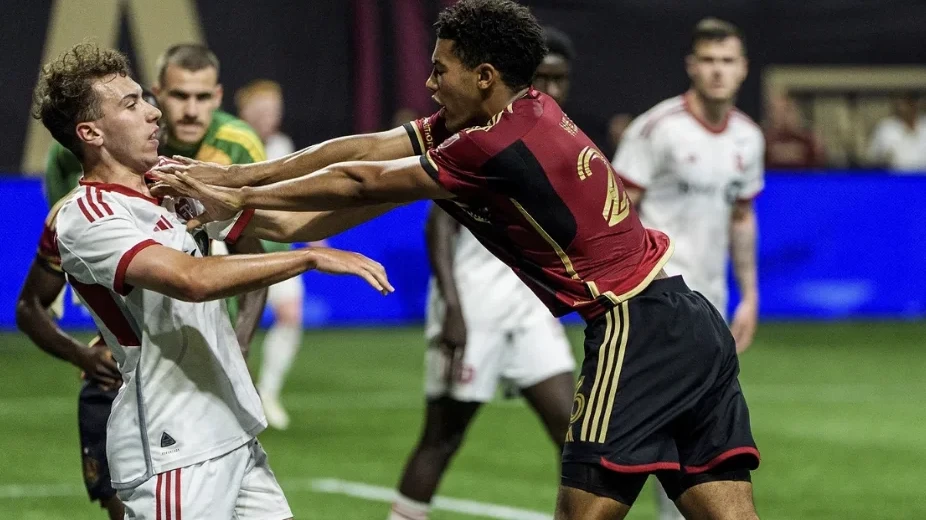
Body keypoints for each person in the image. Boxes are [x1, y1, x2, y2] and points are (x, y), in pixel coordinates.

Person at [153, 1, 762, 518]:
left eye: (440, 69)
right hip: (689, 318)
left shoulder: (495, 145)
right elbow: (361, 157)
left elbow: (361, 179)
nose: (429, 82)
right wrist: (231, 195)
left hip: (635, 328)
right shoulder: (517, 113)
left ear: (485, 76)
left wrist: (235, 188)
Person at [32, 42, 393, 519]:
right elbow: (191, 279)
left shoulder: (169, 182)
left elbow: (292, 223)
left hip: (230, 426)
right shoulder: (87, 216)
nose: (153, 112)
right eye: (131, 104)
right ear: (90, 132)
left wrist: (420, 184)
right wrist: (307, 260)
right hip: (173, 444)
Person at [387, 26, 578, 520]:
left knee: (574, 436)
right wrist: (453, 308)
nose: (551, 89)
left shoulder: (561, 136)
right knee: (442, 438)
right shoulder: (484, 136)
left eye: (560, 79)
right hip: (474, 306)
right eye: (542, 78)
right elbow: (440, 224)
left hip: (531, 310)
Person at [611, 18, 764, 519]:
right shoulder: (657, 129)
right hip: (656, 300)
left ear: (743, 69)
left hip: (710, 305)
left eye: (727, 61)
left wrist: (750, 296)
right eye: (709, 60)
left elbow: (741, 217)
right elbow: (615, 212)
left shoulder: (748, 137)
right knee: (661, 424)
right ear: (692, 67)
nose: (718, 71)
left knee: (696, 427)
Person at [44, 43, 269, 359]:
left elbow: (269, 239)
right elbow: (191, 280)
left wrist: (239, 346)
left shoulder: (222, 152)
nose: (189, 111)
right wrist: (309, 258)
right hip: (144, 355)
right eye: (179, 95)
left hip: (212, 335)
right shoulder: (83, 204)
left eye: (203, 97)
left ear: (218, 97)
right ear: (160, 92)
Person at [17, 89, 161, 520]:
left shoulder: (187, 192)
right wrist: (81, 354)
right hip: (120, 384)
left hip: (189, 382)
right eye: (133, 108)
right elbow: (29, 306)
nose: (153, 117)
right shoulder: (74, 216)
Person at [235, 79, 304, 429]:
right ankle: (238, 396)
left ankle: (269, 393)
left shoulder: (282, 146)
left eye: (274, 111)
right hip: (237, 247)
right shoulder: (233, 146)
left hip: (279, 246)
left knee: (290, 315)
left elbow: (298, 194)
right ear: (244, 112)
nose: (268, 117)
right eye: (261, 110)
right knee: (235, 325)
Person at [763, 91, 825, 169]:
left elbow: (820, 167)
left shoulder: (809, 140)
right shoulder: (763, 140)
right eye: (775, 110)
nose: (781, 115)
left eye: (785, 110)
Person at [866, 91, 926, 172]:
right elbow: (872, 158)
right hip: (896, 177)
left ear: (915, 103)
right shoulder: (886, 128)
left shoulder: (924, 123)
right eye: (900, 103)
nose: (903, 108)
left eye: (908, 102)